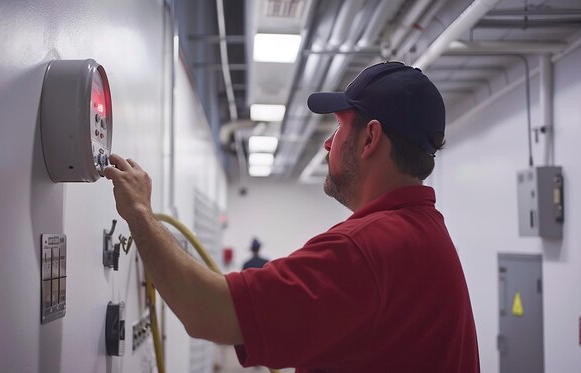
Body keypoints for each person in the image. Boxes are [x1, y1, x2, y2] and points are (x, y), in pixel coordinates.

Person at [104, 61, 479, 372]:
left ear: (370, 139)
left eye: (339, 125)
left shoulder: (366, 249)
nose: (328, 142)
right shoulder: (427, 235)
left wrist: (139, 211)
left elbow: (207, 312)